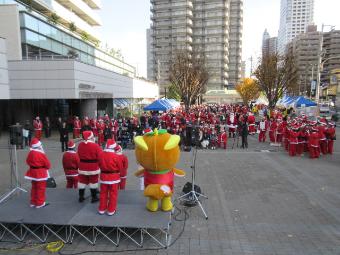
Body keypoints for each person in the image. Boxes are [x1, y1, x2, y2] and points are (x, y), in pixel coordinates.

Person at [98, 139, 123, 215]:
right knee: (113, 194)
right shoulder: (116, 156)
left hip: (103, 177)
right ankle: (111, 210)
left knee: (103, 193)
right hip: (114, 178)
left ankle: (102, 209)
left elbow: (99, 164)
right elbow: (120, 167)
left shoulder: (101, 154)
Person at [24, 138, 51, 208]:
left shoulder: (30, 153)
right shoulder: (41, 154)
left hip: (32, 172)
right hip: (40, 173)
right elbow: (48, 165)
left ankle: (33, 202)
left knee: (34, 187)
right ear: (39, 146)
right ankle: (40, 203)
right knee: (41, 188)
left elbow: (27, 161)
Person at [77, 130, 102, 203]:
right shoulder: (95, 145)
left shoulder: (80, 145)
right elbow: (100, 156)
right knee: (93, 182)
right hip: (93, 167)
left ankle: (81, 197)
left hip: (82, 166)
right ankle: (94, 197)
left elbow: (78, 154)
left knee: (81, 182)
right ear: (91, 137)